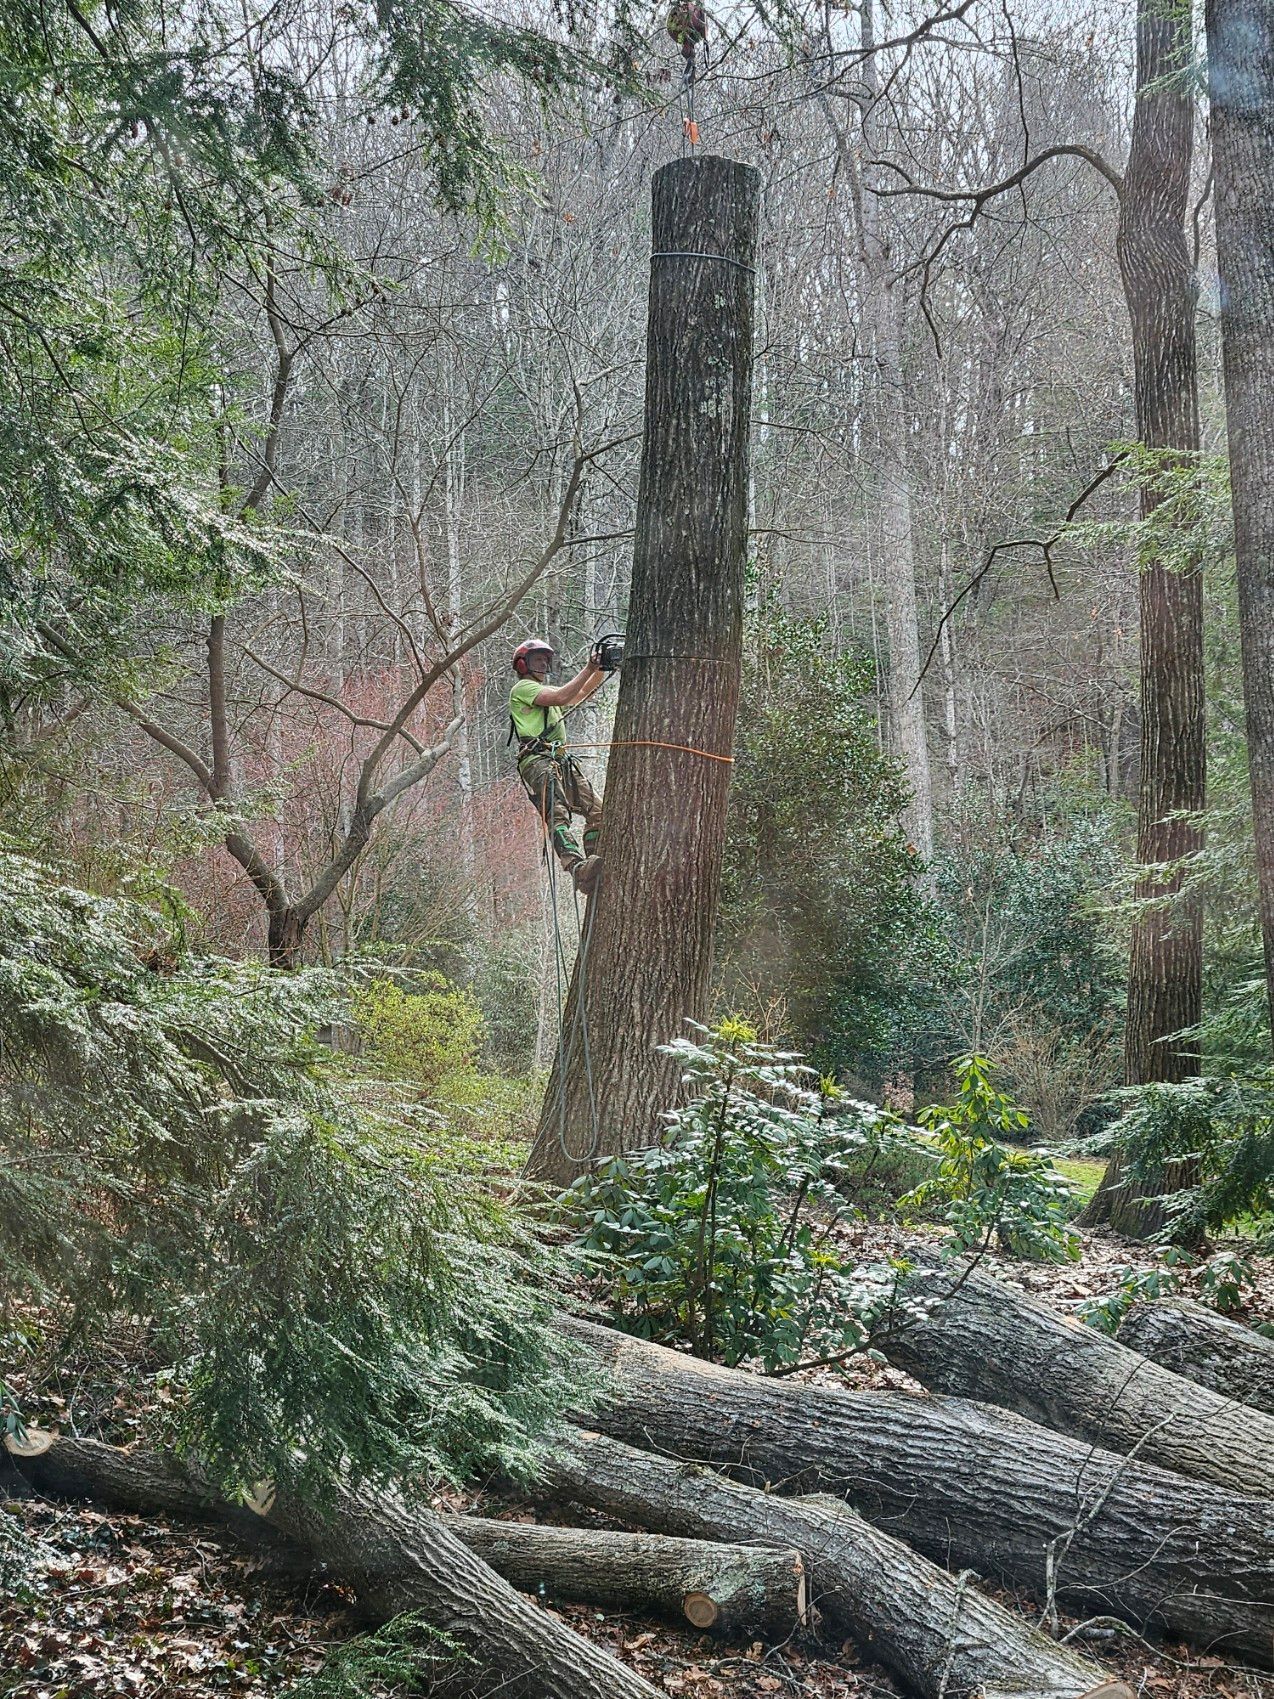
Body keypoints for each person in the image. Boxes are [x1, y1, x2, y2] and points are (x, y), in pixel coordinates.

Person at [509, 638, 611, 895]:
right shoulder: (524, 688)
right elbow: (563, 695)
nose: (543, 664)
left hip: (560, 760)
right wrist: (588, 668)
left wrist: (601, 668)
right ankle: (576, 867)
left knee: (598, 811)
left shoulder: (546, 694)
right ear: (523, 665)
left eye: (545, 660)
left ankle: (593, 863)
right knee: (558, 814)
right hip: (539, 761)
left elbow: (580, 694)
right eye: (537, 660)